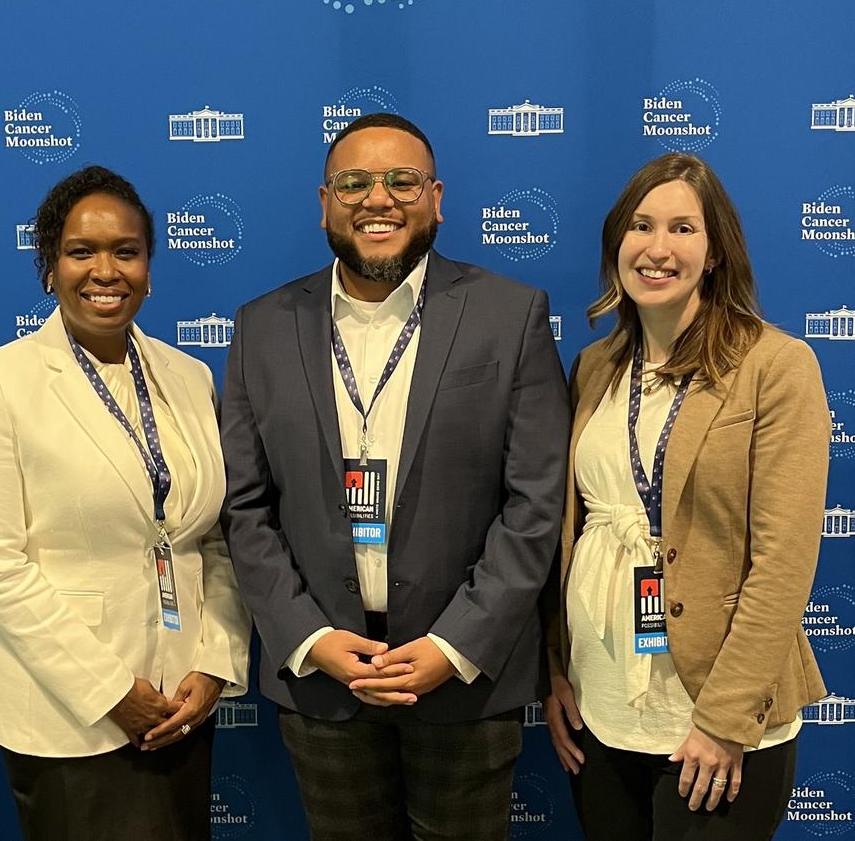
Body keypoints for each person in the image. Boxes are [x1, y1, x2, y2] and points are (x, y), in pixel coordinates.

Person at [220, 112, 569, 841]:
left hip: (465, 684)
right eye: (354, 182)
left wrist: (453, 647)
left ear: (436, 198)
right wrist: (309, 637)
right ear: (325, 203)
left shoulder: (511, 316)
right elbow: (245, 508)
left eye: (402, 181)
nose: (378, 198)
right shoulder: (262, 327)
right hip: (323, 683)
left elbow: (535, 505)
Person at [0, 166, 250, 841]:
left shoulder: (188, 377)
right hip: (67, 717)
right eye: (82, 252)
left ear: (148, 269)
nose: (105, 271)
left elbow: (212, 539)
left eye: (126, 252)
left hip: (181, 703)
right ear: (50, 268)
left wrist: (215, 662)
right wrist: (113, 693)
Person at [543, 152, 830, 841]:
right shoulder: (594, 368)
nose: (658, 248)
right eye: (641, 226)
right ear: (617, 244)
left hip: (713, 715)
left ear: (717, 251)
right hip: (601, 704)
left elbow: (783, 563)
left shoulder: (776, 367)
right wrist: (556, 672)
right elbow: (568, 533)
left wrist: (726, 719)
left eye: (683, 228)